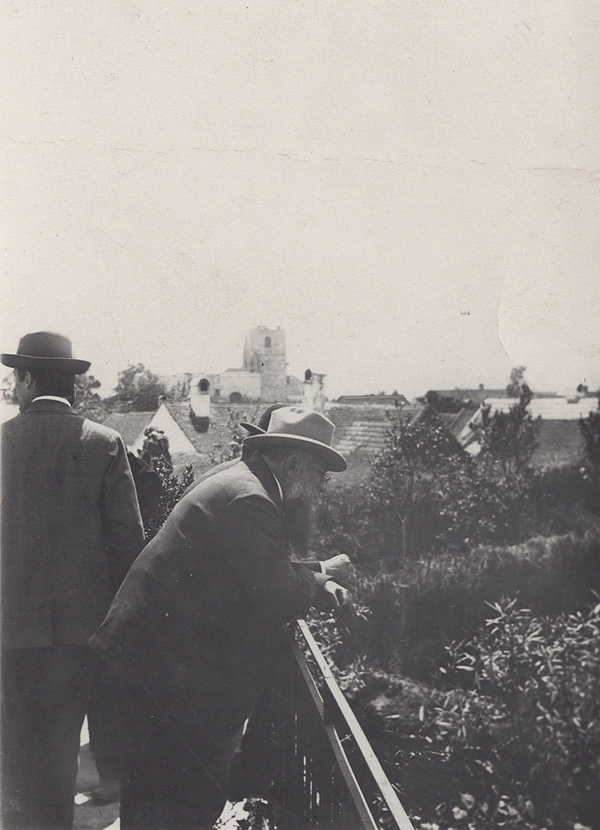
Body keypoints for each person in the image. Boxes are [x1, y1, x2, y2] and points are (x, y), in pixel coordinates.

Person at [90, 406, 353, 830]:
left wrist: (315, 574)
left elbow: (259, 570)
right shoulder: (251, 499)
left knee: (154, 801)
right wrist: (319, 578)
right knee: (182, 802)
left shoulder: (238, 480)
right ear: (293, 464)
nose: (322, 491)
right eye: (321, 477)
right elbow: (277, 592)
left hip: (146, 663)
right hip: (160, 677)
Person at [1, 331, 145, 830]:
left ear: (25, 378)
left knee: (13, 751)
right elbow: (130, 545)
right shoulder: (105, 443)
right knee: (60, 751)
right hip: (77, 635)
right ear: (72, 384)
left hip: (7, 630)